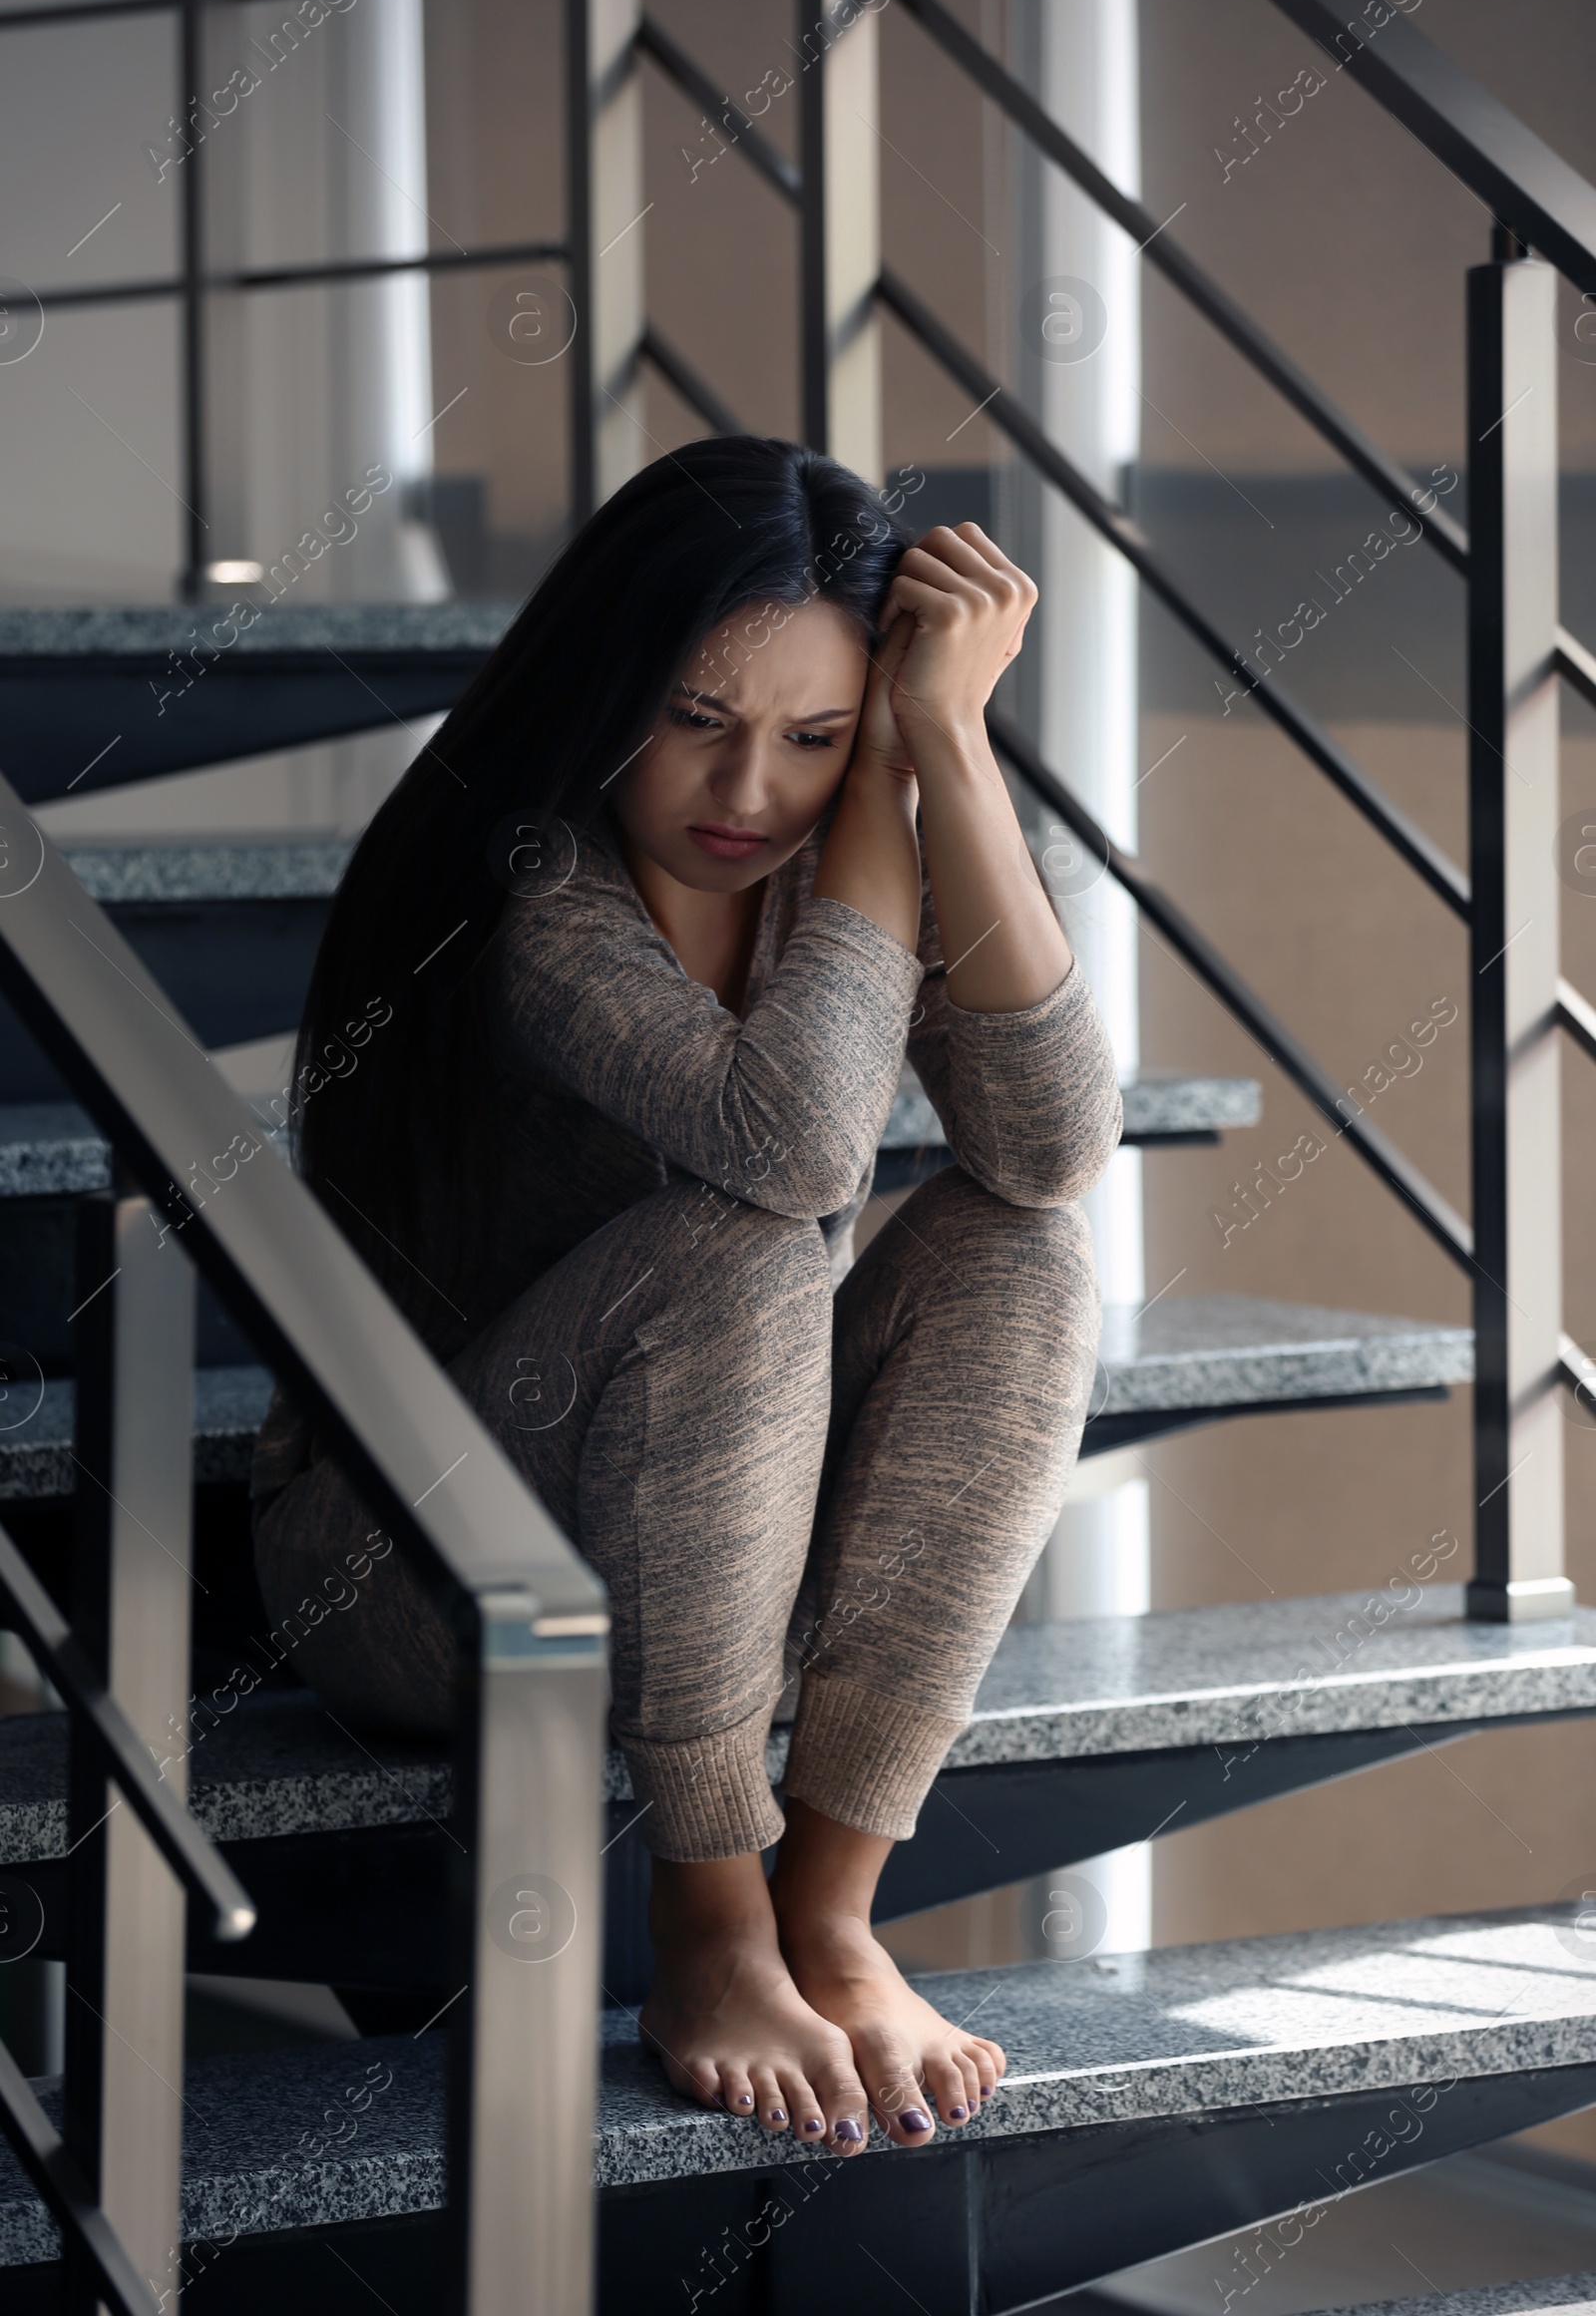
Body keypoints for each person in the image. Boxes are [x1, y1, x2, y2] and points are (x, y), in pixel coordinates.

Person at [249, 435, 1120, 2155]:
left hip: (712, 1540)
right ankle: (712, 1920)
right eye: (699, 717)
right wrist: (878, 814)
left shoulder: (831, 872)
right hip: (415, 1552)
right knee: (744, 1236)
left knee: (1024, 1247)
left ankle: (833, 1908)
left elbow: (1054, 1144)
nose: (751, 791)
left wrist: (947, 752)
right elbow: (790, 1148)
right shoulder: (530, 890)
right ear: (605, 687)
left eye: (813, 738)